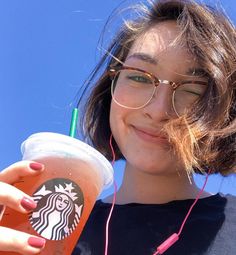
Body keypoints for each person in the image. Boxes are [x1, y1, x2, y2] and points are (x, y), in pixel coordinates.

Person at [0, 0, 235, 254]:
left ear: (222, 111)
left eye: (192, 89)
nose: (158, 111)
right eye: (138, 77)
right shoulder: (49, 233)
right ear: (110, 88)